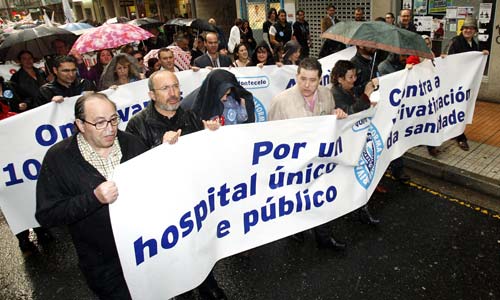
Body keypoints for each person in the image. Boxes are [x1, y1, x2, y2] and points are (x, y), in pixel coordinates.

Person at [35, 93, 148, 299]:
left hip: (146, 250)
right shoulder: (58, 158)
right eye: (99, 122)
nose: (110, 128)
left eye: (114, 119)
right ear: (80, 124)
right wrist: (93, 199)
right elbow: (47, 215)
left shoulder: (133, 144)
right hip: (103, 263)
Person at [125, 71, 226, 299]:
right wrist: (159, 149)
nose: (173, 93)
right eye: (165, 88)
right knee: (174, 248)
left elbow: (206, 158)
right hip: (162, 202)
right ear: (151, 94)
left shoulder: (191, 117)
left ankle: (205, 280)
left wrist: (212, 135)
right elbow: (134, 171)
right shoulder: (137, 125)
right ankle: (181, 288)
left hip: (191, 195)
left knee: (198, 240)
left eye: (175, 86)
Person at [268, 58, 347, 250]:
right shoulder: (280, 101)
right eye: (303, 78)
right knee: (297, 202)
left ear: (320, 79)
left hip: (319, 162)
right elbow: (270, 137)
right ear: (296, 76)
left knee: (321, 199)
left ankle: (325, 238)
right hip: (294, 165)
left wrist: (338, 116)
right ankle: (296, 230)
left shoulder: (327, 95)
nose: (307, 85)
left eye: (312, 80)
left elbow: (330, 125)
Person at [445, 16, 489, 151]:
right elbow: (449, 60)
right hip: (455, 83)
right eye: (465, 28)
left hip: (466, 83)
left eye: (471, 28)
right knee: (455, 108)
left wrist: (482, 55)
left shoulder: (474, 45)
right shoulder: (455, 42)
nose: (468, 30)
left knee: (462, 108)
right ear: (462, 29)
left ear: (475, 31)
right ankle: (459, 136)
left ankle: (456, 132)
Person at [183, 69, 255, 125]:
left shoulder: (232, 100)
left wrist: (242, 106)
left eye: (227, 94)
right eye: (222, 94)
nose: (225, 98)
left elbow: (242, 119)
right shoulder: (192, 104)